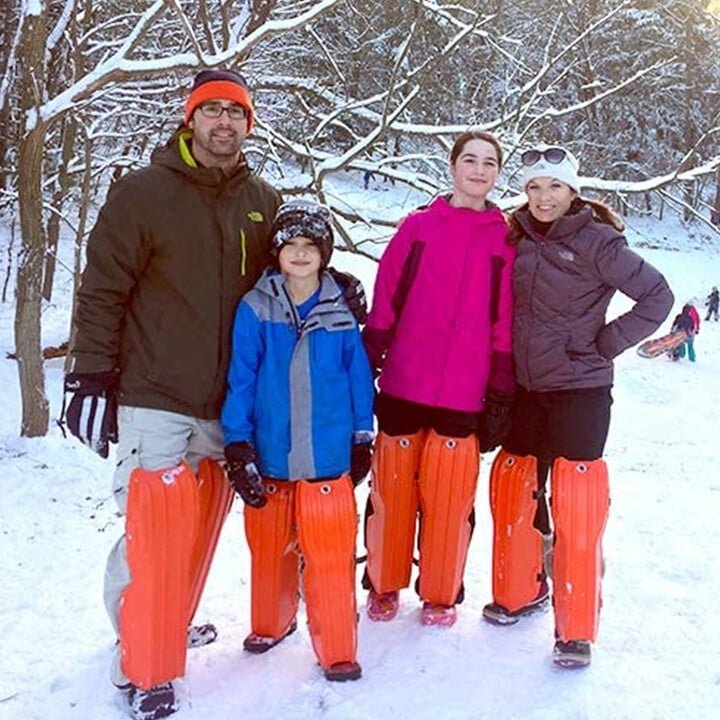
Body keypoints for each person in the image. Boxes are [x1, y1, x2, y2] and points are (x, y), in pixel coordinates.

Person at [62, 69, 366, 720]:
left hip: (225, 405)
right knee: (153, 528)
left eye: (236, 112)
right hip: (156, 392)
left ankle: (166, 624)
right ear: (190, 119)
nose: (223, 122)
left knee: (197, 532)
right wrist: (90, 374)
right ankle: (137, 652)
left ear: (248, 124)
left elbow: (288, 266)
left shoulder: (261, 198)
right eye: (212, 110)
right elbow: (103, 288)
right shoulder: (143, 193)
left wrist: (334, 283)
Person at [481, 144, 673, 668]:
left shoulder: (598, 242)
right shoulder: (517, 236)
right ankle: (521, 590)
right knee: (516, 487)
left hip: (580, 391)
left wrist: (606, 343)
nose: (543, 197)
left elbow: (657, 295)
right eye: (534, 187)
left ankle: (576, 628)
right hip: (527, 389)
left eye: (555, 187)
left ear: (573, 191)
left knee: (576, 501)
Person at [361, 129, 515, 627]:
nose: (478, 170)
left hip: (464, 391)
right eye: (469, 159)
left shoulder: (505, 239)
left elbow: (505, 316)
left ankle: (441, 591)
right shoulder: (418, 228)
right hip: (405, 381)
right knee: (393, 491)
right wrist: (370, 355)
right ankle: (383, 582)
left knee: (449, 498)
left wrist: (501, 383)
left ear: (498, 174)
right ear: (452, 166)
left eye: (489, 163)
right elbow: (387, 294)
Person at [221, 199, 374, 681]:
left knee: (329, 553)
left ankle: (337, 645)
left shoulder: (340, 309)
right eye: (292, 245)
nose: (301, 253)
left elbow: (358, 376)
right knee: (269, 547)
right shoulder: (255, 307)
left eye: (311, 245)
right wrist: (237, 441)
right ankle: (273, 620)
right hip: (272, 452)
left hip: (328, 454)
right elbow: (241, 377)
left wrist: (362, 436)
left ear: (325, 253)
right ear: (277, 252)